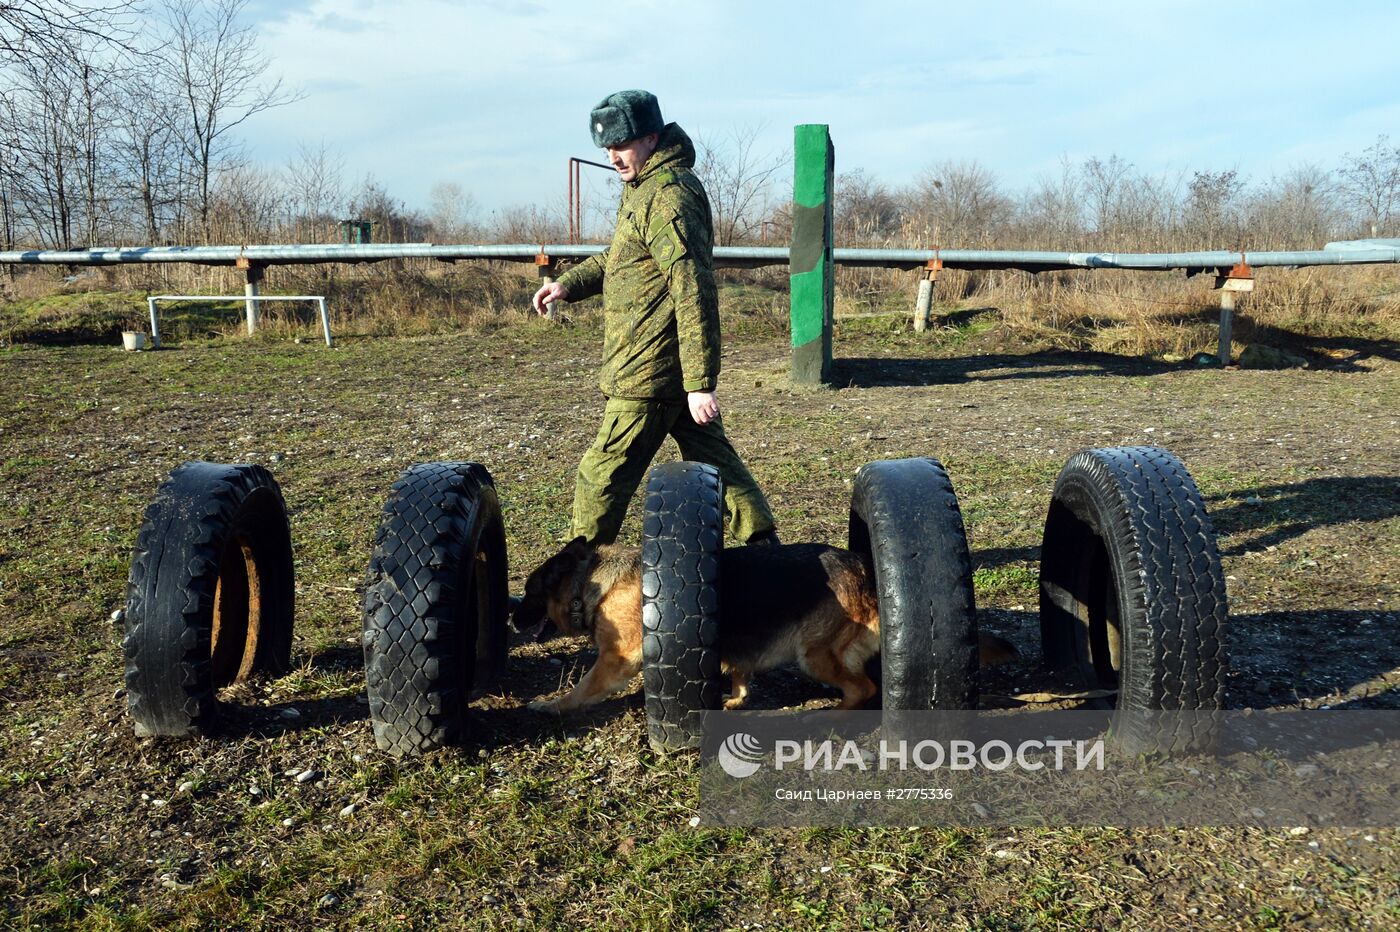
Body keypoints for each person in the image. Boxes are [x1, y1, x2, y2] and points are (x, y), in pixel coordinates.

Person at [531, 89, 778, 547]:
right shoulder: (643, 188)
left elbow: (692, 286)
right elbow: (621, 256)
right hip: (665, 370)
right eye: (606, 148)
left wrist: (700, 382)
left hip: (650, 370)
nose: (612, 157)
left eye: (620, 145)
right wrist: (568, 284)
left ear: (650, 138)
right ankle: (766, 549)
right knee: (716, 462)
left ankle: (574, 580)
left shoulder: (667, 196)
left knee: (600, 476)